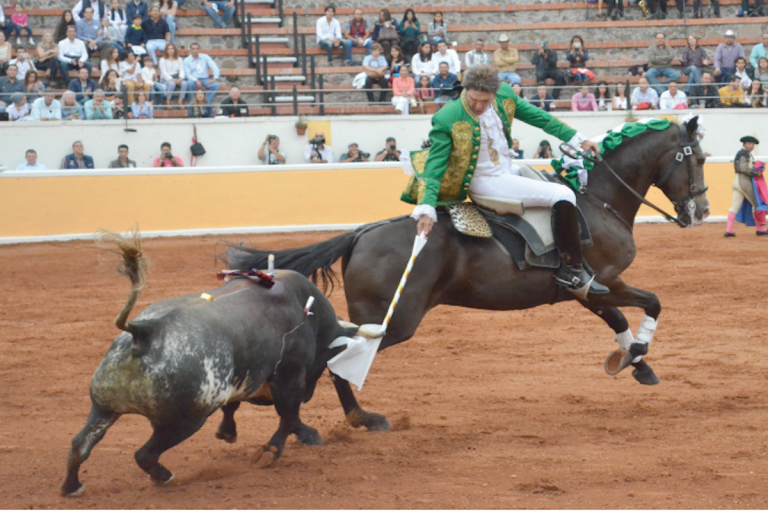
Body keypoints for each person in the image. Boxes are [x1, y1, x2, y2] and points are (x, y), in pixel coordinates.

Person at [406, 64, 607, 297]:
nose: (479, 106)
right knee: (565, 195)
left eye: (485, 101)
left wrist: (578, 139)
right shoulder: (447, 116)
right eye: (473, 100)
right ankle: (571, 270)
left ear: (496, 92)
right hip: (485, 180)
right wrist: (426, 205)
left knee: (557, 185)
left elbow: (539, 117)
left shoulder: (505, 95)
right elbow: (435, 164)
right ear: (465, 89)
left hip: (507, 169)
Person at [725, 136, 766, 236]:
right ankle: (760, 229)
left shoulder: (745, 154)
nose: (751, 146)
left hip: (737, 182)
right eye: (749, 143)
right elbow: (743, 168)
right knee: (756, 204)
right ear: (744, 144)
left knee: (734, 206)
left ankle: (729, 231)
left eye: (753, 144)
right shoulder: (743, 154)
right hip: (744, 182)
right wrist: (756, 173)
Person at [159, 43, 187, 107]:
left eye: (172, 49)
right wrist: (172, 79)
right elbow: (164, 72)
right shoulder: (162, 60)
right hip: (166, 79)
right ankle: (168, 101)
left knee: (184, 83)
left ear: (174, 50)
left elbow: (181, 70)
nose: (170, 50)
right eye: (169, 49)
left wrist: (181, 78)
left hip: (177, 77)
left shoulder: (179, 59)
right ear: (166, 50)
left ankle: (180, 101)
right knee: (172, 84)